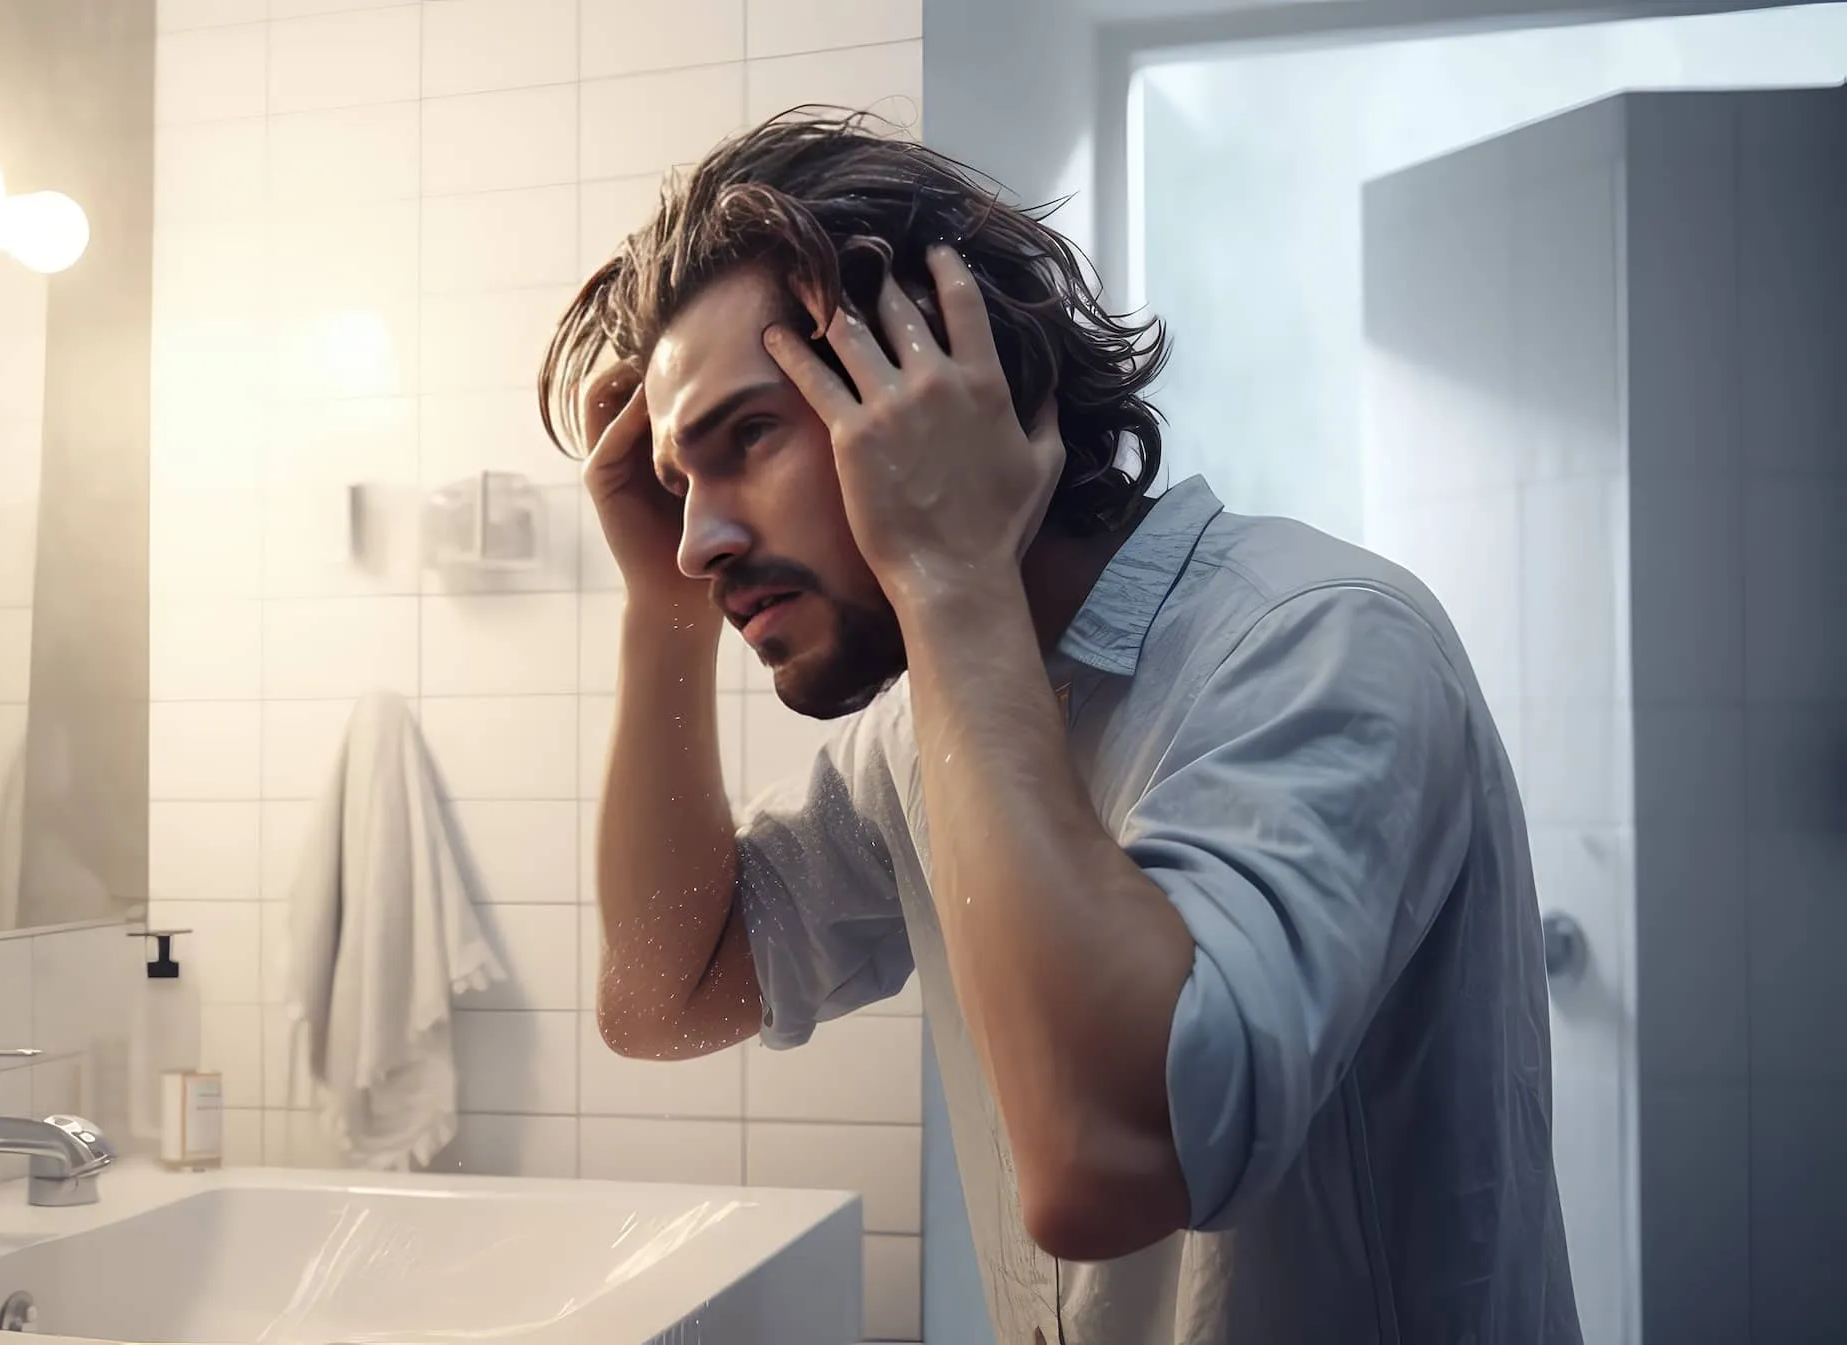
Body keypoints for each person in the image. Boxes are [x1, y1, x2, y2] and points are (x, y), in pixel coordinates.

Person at [537, 112, 1581, 1345]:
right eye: (675, 484)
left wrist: (946, 571)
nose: (699, 538)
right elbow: (667, 994)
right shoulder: (925, 733)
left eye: (749, 437)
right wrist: (661, 612)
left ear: (952, 384)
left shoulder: (1324, 641)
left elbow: (1107, 1163)